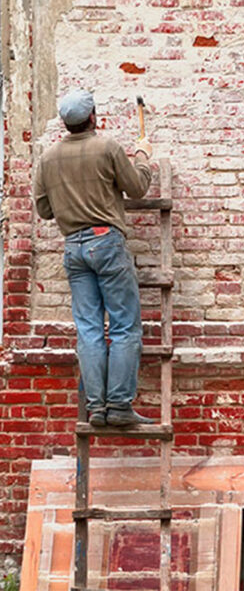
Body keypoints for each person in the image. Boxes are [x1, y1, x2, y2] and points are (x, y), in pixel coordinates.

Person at [34, 89, 154, 427]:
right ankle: (118, 405)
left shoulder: (48, 158)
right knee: (124, 326)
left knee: (88, 330)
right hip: (106, 242)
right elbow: (137, 188)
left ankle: (96, 408)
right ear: (93, 117)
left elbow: (44, 210)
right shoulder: (108, 147)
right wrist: (142, 156)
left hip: (73, 247)